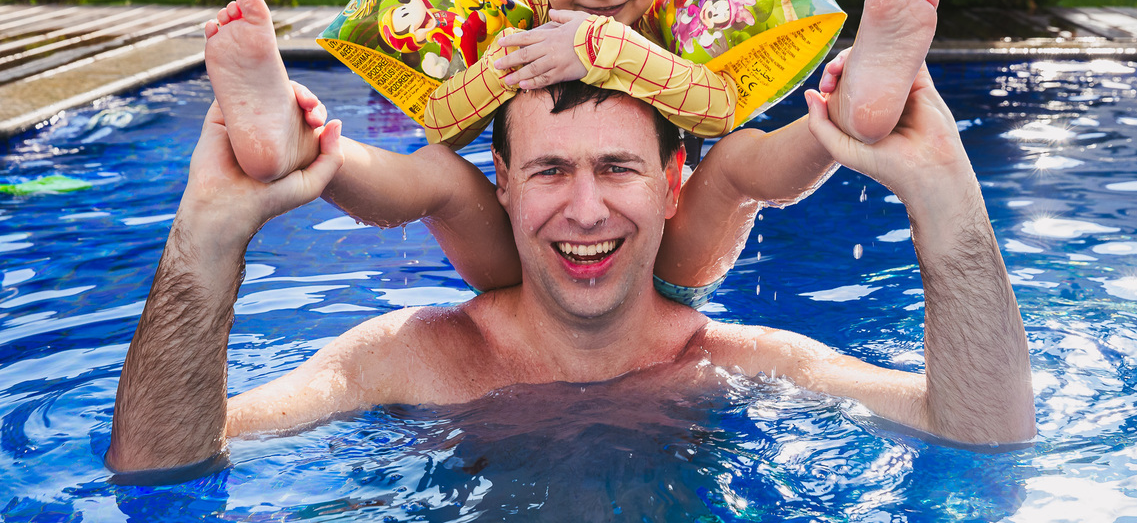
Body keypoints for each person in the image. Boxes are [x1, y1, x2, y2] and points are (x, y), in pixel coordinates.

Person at [106, 71, 1035, 475]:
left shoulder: (747, 363)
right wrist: (205, 240)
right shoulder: (401, 362)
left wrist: (950, 203)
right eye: (550, 170)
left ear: (675, 185)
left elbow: (986, 439)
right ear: (501, 187)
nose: (584, 210)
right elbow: (161, 464)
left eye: (617, 168)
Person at [203, 0, 939, 302]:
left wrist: (607, 50)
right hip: (520, 263)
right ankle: (300, 148)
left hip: (667, 259)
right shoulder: (517, 25)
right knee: (438, 180)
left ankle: (850, 112)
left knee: (739, 161)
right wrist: (499, 70)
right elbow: (443, 126)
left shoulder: (668, 22)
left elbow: (717, 109)